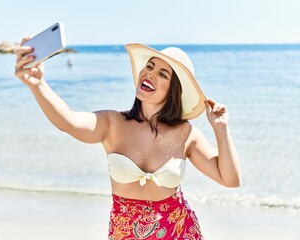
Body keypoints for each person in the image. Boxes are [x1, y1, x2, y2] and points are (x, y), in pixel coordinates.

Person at [15, 38, 241, 240]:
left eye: (162, 74)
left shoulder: (186, 133)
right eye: (149, 67)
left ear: (173, 90)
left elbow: (230, 179)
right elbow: (69, 121)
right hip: (125, 234)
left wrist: (221, 129)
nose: (150, 73)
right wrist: (37, 85)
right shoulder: (112, 123)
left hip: (178, 231)